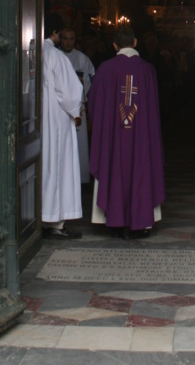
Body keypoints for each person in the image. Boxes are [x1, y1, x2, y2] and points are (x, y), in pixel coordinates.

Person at [87, 24, 166, 238]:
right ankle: (140, 223)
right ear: (135, 42)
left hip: (114, 137)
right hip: (142, 137)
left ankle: (115, 222)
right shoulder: (147, 70)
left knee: (113, 169)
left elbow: (92, 101)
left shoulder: (105, 68)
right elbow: (153, 109)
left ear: (114, 46)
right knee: (141, 170)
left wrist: (104, 126)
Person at [41, 13, 84, 238]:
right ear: (55, 32)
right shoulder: (55, 56)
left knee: (44, 168)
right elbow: (71, 92)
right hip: (56, 120)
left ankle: (40, 218)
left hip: (37, 121)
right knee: (57, 168)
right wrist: (76, 111)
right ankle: (55, 221)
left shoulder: (31, 52)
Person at [59, 27, 95, 185]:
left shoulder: (82, 59)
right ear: (60, 39)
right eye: (65, 38)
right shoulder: (55, 57)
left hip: (77, 109)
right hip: (58, 108)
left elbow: (91, 81)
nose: (68, 42)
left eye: (71, 38)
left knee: (79, 144)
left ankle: (80, 178)